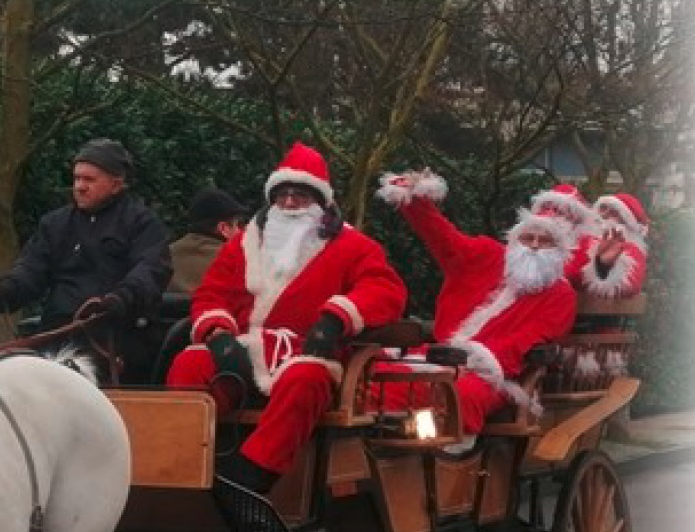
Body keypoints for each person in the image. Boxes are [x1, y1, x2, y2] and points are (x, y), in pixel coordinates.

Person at [167, 142, 406, 508]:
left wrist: (335, 318)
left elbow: (385, 290)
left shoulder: (355, 246)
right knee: (190, 363)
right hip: (246, 348)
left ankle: (250, 479)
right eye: (282, 195)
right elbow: (211, 293)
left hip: (309, 351)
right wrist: (218, 334)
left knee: (304, 379)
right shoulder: (243, 244)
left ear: (321, 202)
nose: (290, 204)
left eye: (300, 195)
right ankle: (183, 467)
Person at [373, 169, 578, 444]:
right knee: (376, 373)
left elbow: (529, 340)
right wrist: (416, 201)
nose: (534, 247)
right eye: (528, 238)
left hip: (494, 375)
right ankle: (377, 448)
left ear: (559, 251)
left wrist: (473, 359)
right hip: (439, 356)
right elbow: (445, 240)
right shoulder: (488, 256)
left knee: (459, 394)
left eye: (545, 241)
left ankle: (450, 466)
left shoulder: (561, 295)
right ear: (515, 240)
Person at [0, 138, 172, 382]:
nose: (80, 186)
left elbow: (150, 270)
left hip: (115, 337)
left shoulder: (141, 224)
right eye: (76, 178)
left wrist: (121, 298)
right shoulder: (55, 224)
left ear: (116, 184)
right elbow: (31, 269)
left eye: (89, 180)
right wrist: (7, 290)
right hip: (55, 334)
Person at [169, 187, 249, 293]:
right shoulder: (237, 262)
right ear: (223, 228)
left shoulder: (164, 256)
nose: (242, 231)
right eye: (239, 224)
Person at [574, 192, 649, 300]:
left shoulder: (631, 248)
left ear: (627, 222)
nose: (604, 215)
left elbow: (629, 286)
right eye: (603, 208)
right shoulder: (583, 239)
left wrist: (603, 266)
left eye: (614, 212)